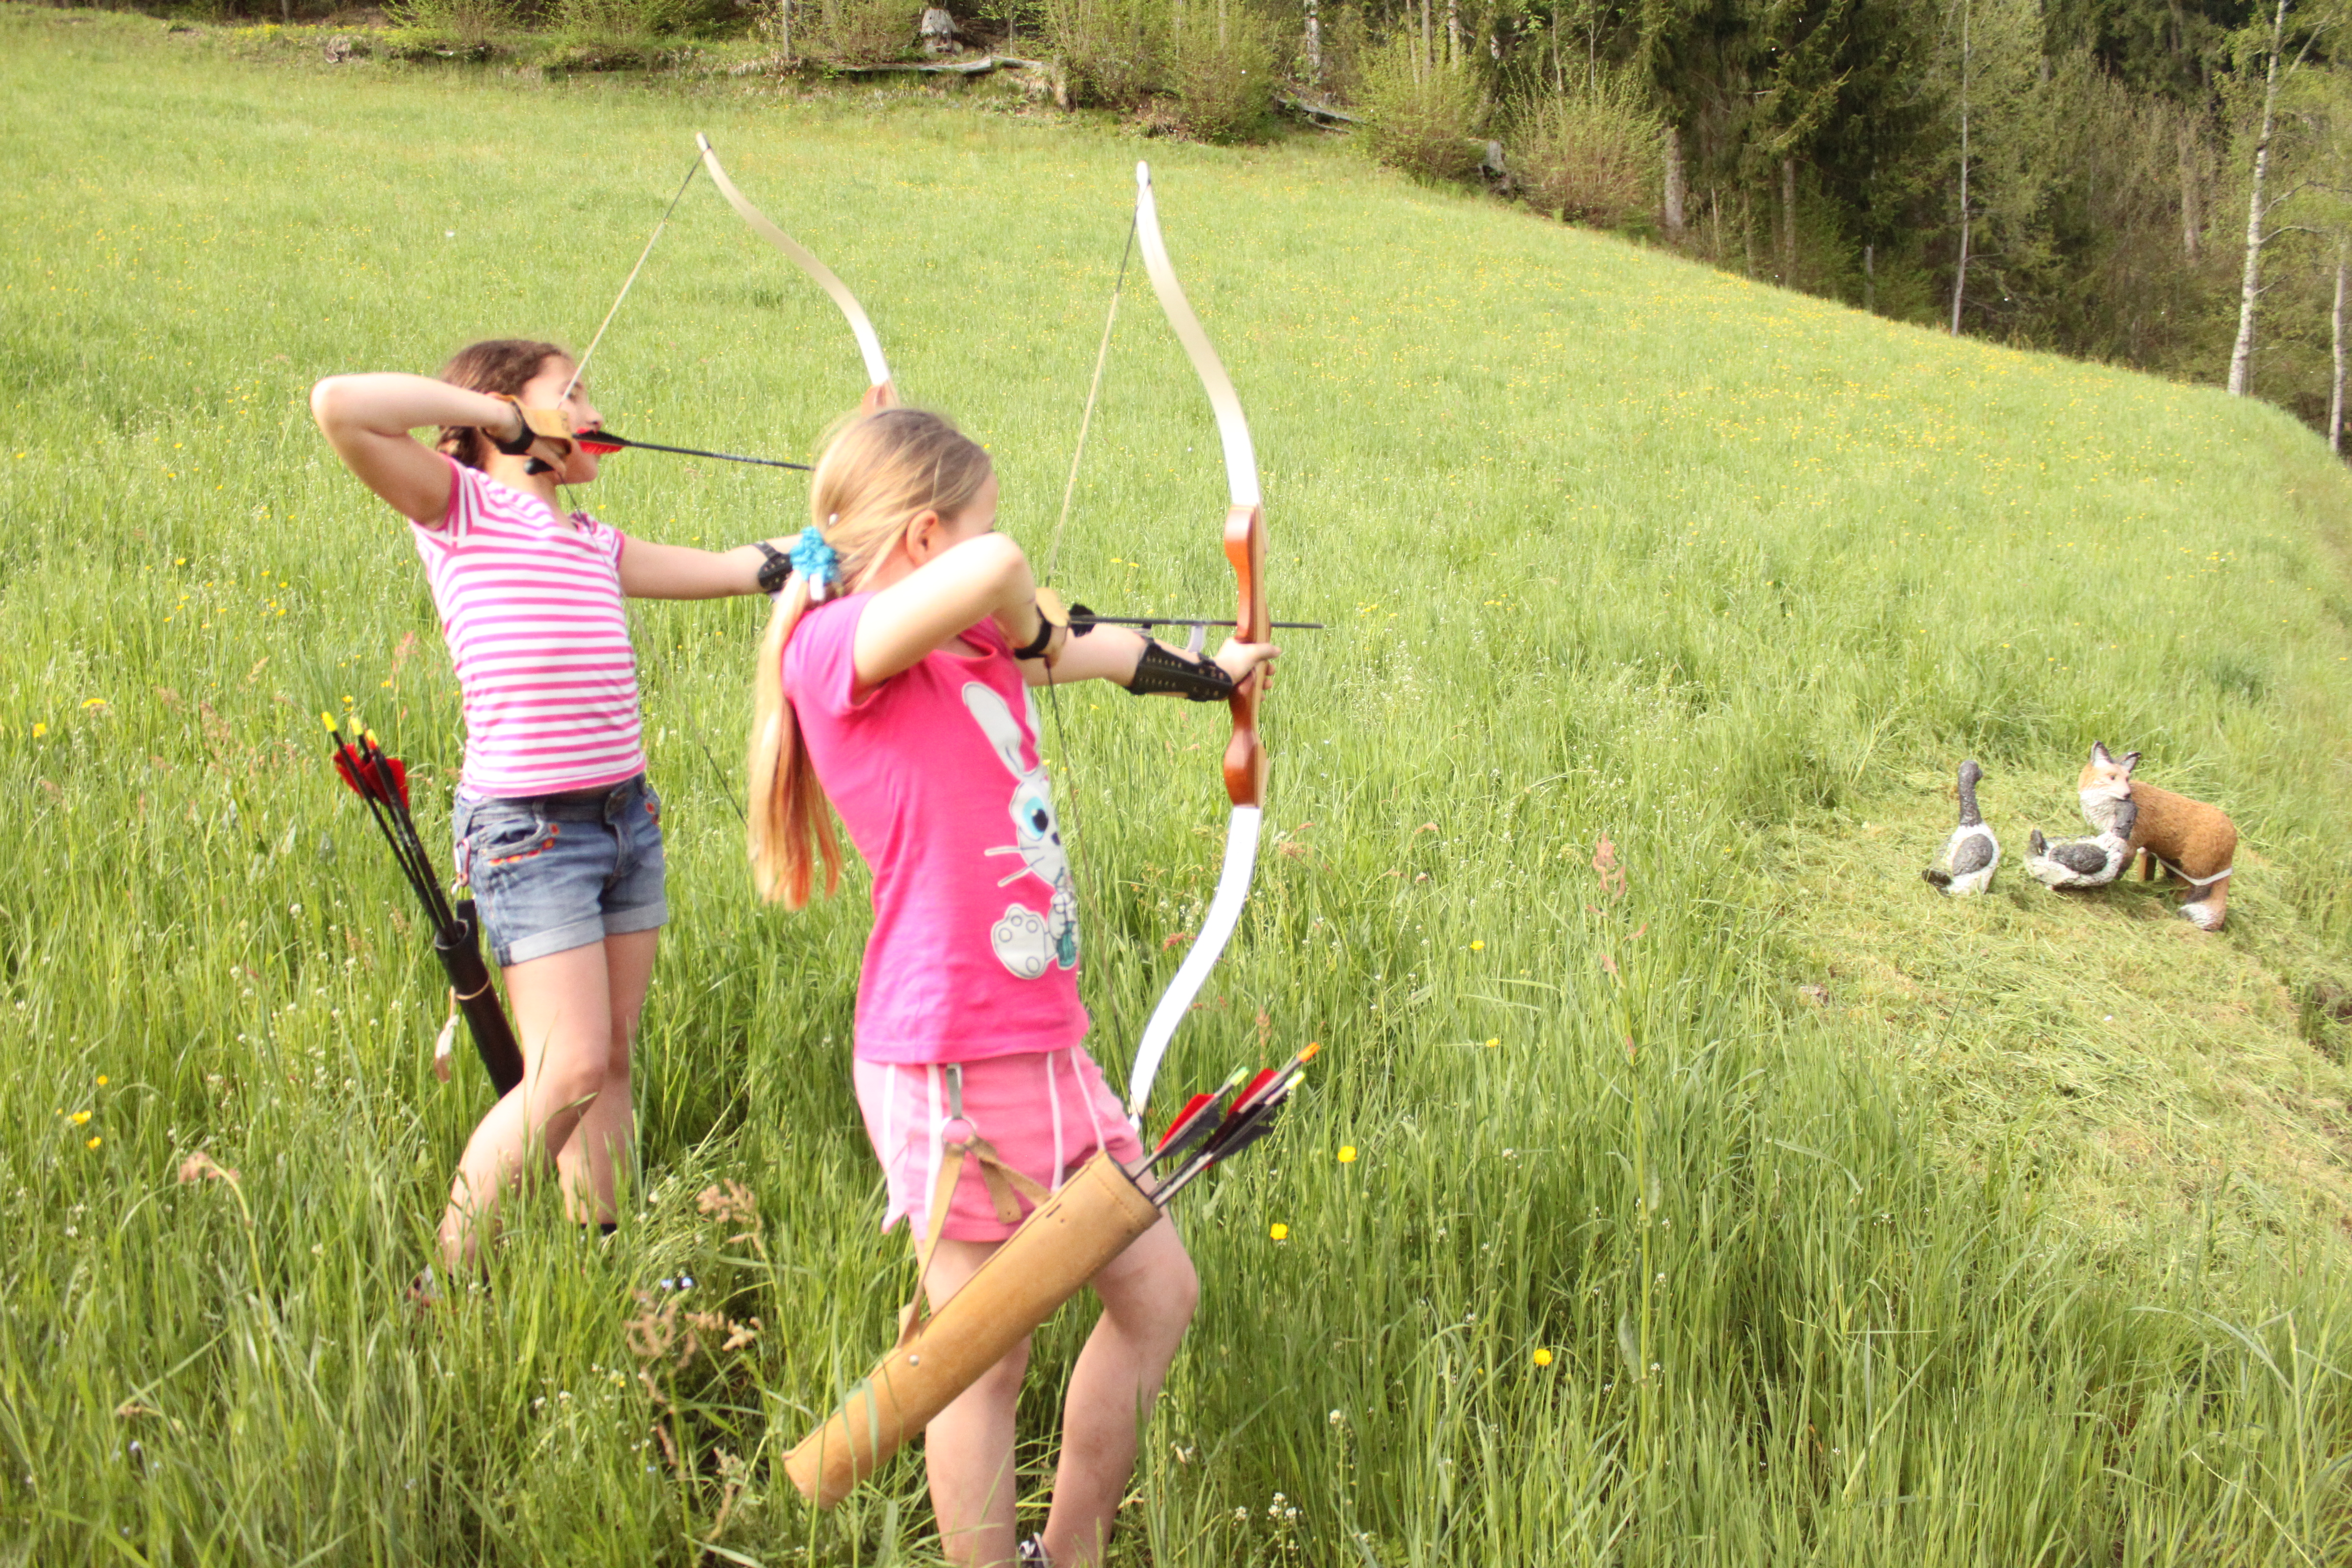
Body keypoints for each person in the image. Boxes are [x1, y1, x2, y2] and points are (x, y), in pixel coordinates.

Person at [746, 406, 1278, 1568]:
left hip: (1042, 1044)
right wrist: (1029, 621)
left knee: (1158, 1295)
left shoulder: (973, 644)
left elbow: (1105, 650)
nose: (1002, 549)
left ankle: (1068, 1552)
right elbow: (1005, 581)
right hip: (942, 1052)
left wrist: (1212, 672)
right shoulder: (832, 649)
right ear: (928, 538)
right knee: (983, 1352)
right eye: (983, 525)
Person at [310, 339, 795, 1274]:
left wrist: (823, 545)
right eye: (569, 394)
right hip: (530, 834)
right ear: (504, 410)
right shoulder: (460, 509)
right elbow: (339, 404)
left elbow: (738, 565)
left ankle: (600, 1255)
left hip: (623, 821)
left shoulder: (593, 541)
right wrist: (499, 423)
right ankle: (445, 1284)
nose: (590, 410)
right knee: (566, 1068)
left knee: (609, 1057)